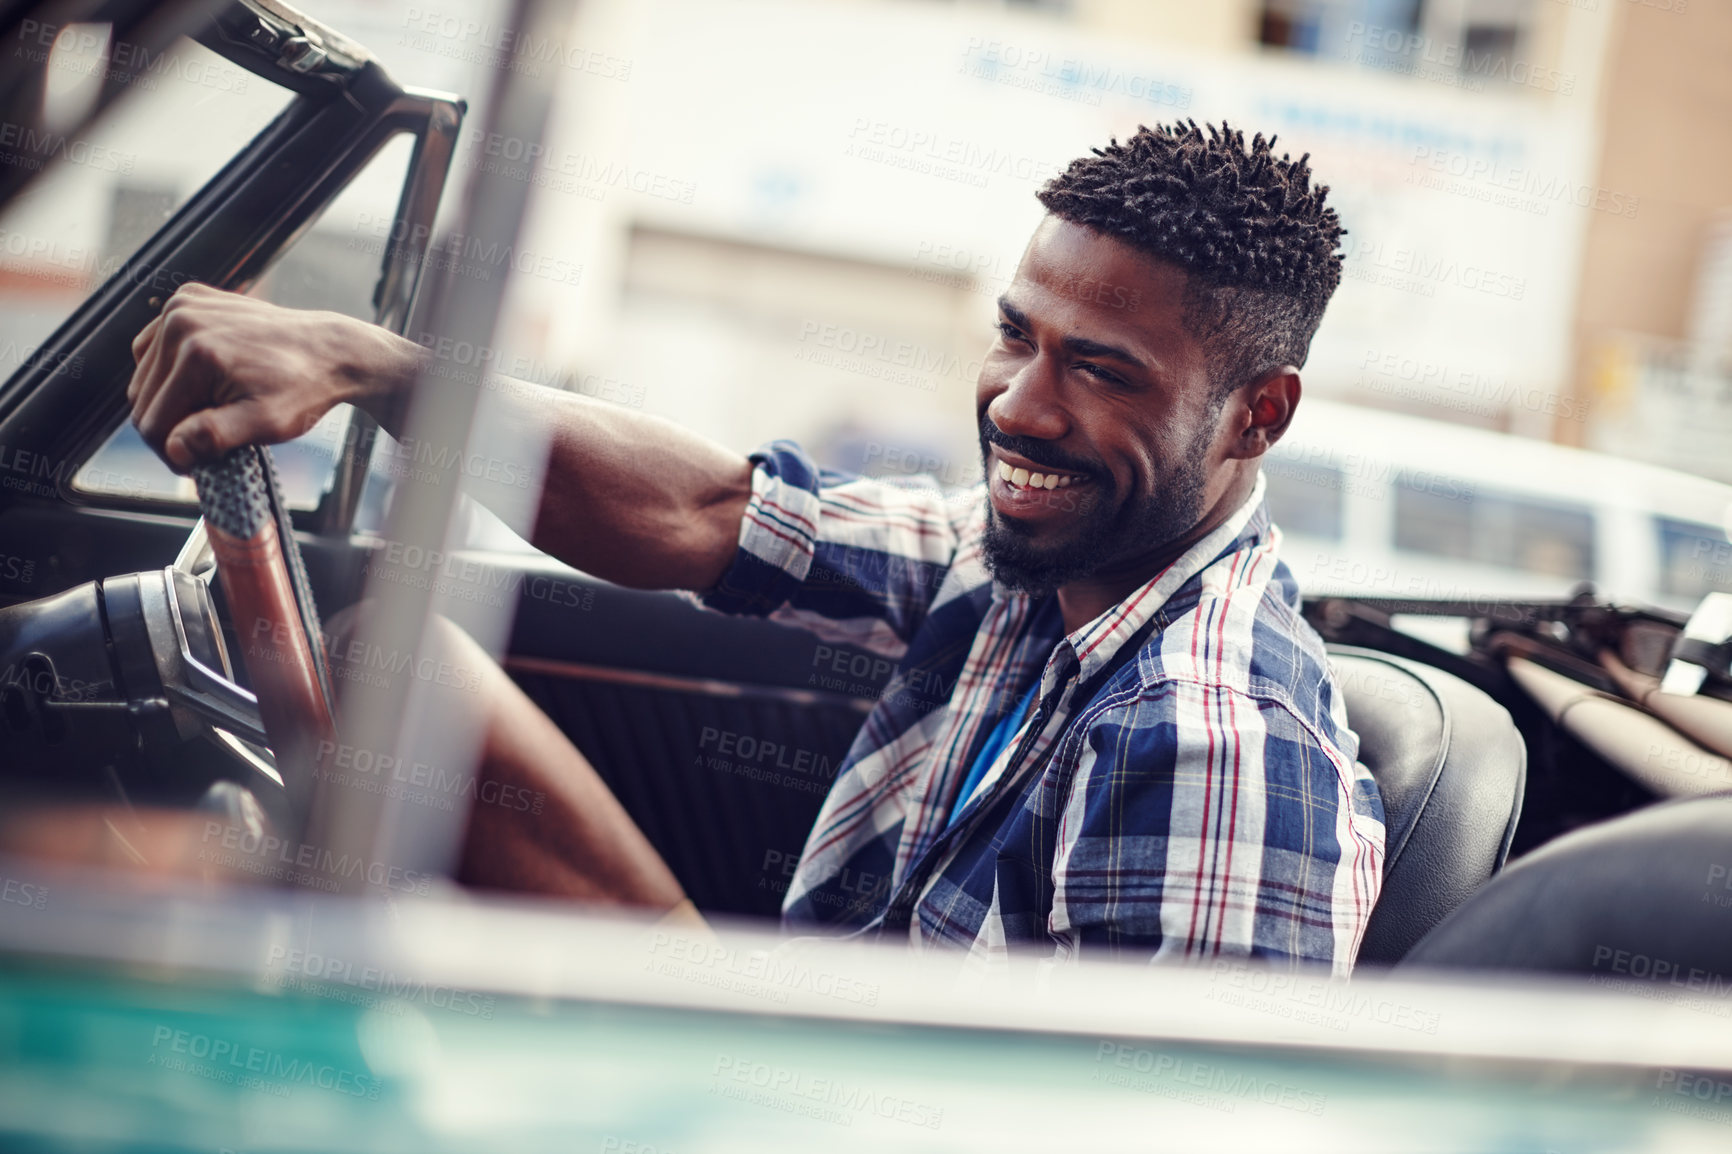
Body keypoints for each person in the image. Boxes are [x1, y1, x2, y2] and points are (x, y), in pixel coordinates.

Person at [126, 121, 1386, 973]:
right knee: (387, 671)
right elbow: (710, 514)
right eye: (1018, 336)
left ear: (1255, 414)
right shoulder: (1029, 564)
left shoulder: (1214, 745)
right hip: (788, 1043)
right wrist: (372, 366)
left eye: (1100, 372)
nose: (1016, 404)